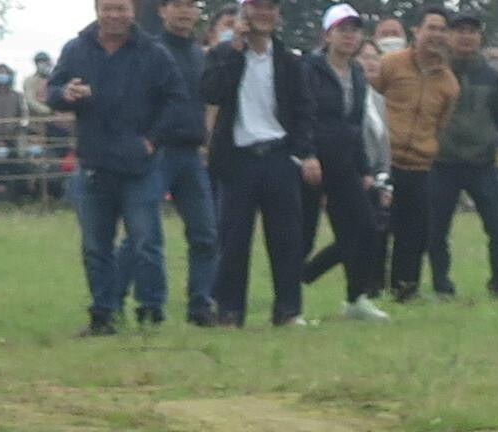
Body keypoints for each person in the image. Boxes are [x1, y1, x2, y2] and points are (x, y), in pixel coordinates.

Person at [48, 0, 190, 332]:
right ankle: (103, 313)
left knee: (146, 241)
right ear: (96, 10)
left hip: (139, 165)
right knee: (95, 246)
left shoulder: (153, 53)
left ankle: (150, 310)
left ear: (133, 11)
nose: (114, 15)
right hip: (94, 162)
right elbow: (52, 91)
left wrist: (152, 139)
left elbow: (176, 98)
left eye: (121, 8)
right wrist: (66, 93)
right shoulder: (76, 49)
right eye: (107, 8)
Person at [199, 0, 323, 329]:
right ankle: (229, 311)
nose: (264, 14)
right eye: (257, 8)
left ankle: (288, 310)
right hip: (238, 158)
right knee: (233, 241)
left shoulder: (289, 61)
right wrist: (235, 50)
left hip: (278, 156)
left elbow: (304, 110)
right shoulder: (223, 55)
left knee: (286, 239)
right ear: (244, 13)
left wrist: (306, 152)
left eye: (271, 8)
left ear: (278, 15)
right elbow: (212, 92)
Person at [304, 5, 392, 320]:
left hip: (345, 165)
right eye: (342, 29)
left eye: (355, 30)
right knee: (303, 234)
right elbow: (304, 116)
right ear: (327, 34)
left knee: (365, 228)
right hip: (312, 163)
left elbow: (355, 126)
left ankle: (356, 298)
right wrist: (307, 153)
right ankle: (289, 301)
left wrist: (365, 169)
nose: (349, 36)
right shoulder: (309, 69)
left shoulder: (356, 74)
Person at [149, 0, 226, 322]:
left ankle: (201, 304)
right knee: (144, 234)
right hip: (158, 153)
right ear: (162, 10)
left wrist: (208, 142)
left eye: (190, 5)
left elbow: (208, 102)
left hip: (192, 154)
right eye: (177, 4)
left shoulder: (199, 54)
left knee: (206, 234)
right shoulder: (150, 52)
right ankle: (146, 304)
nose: (184, 11)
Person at [371, 9, 452, 302]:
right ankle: (372, 287)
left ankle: (406, 288)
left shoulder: (449, 83)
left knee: (414, 232)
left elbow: (440, 124)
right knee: (378, 229)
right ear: (416, 31)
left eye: (442, 29)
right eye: (431, 28)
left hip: (420, 165)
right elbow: (371, 104)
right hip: (387, 161)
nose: (436, 35)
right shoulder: (391, 64)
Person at [433, 11, 498, 298]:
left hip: (482, 163)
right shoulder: (436, 72)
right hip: (442, 162)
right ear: (449, 36)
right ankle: (441, 286)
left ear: (480, 37)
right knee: (436, 230)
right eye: (460, 30)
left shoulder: (492, 76)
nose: (466, 36)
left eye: (472, 31)